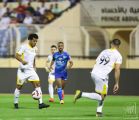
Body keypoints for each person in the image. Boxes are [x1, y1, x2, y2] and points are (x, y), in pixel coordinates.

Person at [74, 39, 122, 117]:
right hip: (101, 76)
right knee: (101, 97)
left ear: (111, 44)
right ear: (119, 46)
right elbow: (117, 69)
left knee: (103, 94)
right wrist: (117, 83)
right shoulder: (118, 55)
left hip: (95, 73)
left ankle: (99, 112)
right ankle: (81, 94)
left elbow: (96, 62)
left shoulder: (104, 51)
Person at [14, 33, 50, 109]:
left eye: (36, 41)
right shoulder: (24, 47)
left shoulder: (35, 48)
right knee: (19, 87)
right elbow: (17, 55)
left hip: (31, 70)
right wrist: (22, 61)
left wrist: (34, 67)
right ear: (30, 40)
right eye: (34, 41)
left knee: (38, 84)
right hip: (22, 71)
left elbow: (33, 59)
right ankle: (16, 103)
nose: (35, 42)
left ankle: (40, 103)